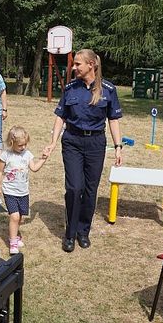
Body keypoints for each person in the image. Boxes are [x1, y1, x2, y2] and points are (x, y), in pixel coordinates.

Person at [45, 49, 123, 253]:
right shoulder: (70, 88)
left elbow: (113, 120)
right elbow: (60, 116)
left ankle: (83, 231)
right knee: (74, 188)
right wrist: (53, 142)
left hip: (96, 144)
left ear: (91, 65)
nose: (74, 67)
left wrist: (118, 146)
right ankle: (70, 233)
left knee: (90, 190)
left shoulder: (108, 89)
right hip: (72, 141)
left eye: (78, 64)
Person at [0, 126, 49, 255]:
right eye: (20, 145)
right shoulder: (6, 155)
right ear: (11, 143)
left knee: (20, 218)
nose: (23, 147)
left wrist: (43, 158)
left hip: (23, 192)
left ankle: (15, 235)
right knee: (14, 216)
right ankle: (13, 242)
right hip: (10, 192)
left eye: (25, 144)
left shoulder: (27, 154)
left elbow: (34, 168)